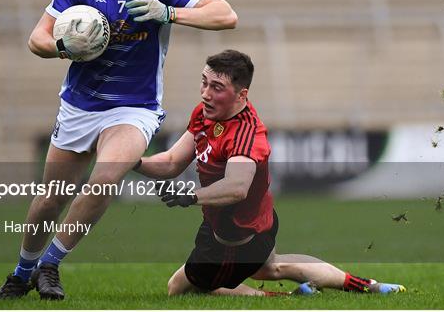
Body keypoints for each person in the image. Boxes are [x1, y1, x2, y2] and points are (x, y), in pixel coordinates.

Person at [0, 0, 237, 301]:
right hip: (80, 105)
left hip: (134, 107)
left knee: (106, 177)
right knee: (49, 200)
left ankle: (50, 265)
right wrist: (64, 45)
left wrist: (169, 13)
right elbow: (37, 39)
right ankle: (22, 273)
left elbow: (226, 15)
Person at [136, 49, 406, 297]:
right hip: (256, 223)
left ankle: (278, 298)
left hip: (234, 239)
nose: (206, 93)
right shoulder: (206, 113)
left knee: (180, 288)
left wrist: (191, 196)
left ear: (242, 95)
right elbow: (171, 162)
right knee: (272, 268)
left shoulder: (246, 134)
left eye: (217, 87)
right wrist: (131, 161)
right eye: (204, 82)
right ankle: (369, 286)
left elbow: (236, 186)